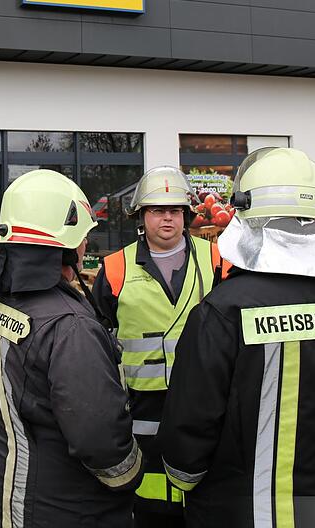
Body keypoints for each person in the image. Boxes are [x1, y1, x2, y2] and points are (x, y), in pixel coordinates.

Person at [159, 148, 315, 527]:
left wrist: (183, 479)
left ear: (245, 215)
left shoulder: (223, 312)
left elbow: (189, 429)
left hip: (239, 512)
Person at [0, 169, 142, 527]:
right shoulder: (70, 327)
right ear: (64, 246)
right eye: (82, 238)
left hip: (13, 496)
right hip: (70, 510)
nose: (86, 246)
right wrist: (132, 474)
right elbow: (99, 440)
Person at [91, 166, 216, 527]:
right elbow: (97, 338)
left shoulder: (217, 260)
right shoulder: (115, 268)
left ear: (186, 216)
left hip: (203, 399)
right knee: (149, 491)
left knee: (202, 481)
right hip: (141, 404)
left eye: (175, 210)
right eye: (158, 210)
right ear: (141, 217)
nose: (167, 218)